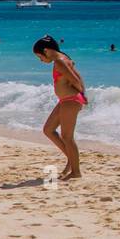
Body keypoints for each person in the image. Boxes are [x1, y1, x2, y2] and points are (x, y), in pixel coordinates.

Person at [34, 35, 86, 180]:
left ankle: (76, 171)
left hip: (70, 100)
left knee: (67, 137)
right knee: (48, 130)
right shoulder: (63, 59)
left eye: (40, 57)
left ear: (45, 50)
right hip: (66, 100)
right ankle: (71, 161)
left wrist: (80, 95)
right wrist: (82, 95)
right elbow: (78, 76)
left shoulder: (59, 61)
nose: (41, 60)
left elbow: (75, 80)